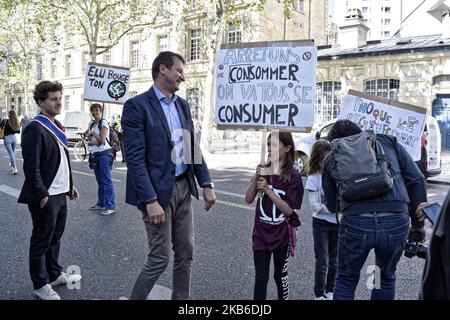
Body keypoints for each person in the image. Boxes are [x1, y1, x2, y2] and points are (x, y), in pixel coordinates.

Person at [122, 51, 216, 300]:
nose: (182, 77)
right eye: (179, 71)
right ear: (163, 70)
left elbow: (191, 147)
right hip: (157, 193)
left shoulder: (182, 104)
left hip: (184, 186)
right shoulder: (137, 106)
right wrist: (150, 201)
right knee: (159, 258)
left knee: (185, 252)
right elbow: (134, 159)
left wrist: (206, 183)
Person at [322, 119, 427, 300]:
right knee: (383, 277)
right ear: (359, 131)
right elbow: (416, 180)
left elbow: (332, 206)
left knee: (346, 279)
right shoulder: (387, 142)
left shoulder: (331, 158)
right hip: (395, 220)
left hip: (356, 223)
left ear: (335, 142)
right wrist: (418, 224)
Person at [18, 81, 81, 300]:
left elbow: (62, 160)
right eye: (53, 99)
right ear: (41, 102)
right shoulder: (35, 128)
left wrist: (70, 184)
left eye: (59, 98)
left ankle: (53, 274)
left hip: (60, 192)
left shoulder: (57, 125)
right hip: (45, 195)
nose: (58, 102)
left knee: (56, 237)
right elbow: (31, 166)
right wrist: (42, 193)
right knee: (41, 240)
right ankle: (40, 284)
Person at [245, 132, 303, 300]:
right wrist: (257, 176)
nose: (270, 148)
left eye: (275, 145)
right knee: (261, 278)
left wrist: (268, 191)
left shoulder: (294, 177)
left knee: (280, 276)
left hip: (281, 235)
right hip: (261, 234)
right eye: (269, 144)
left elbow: (289, 211)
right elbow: (248, 199)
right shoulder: (265, 171)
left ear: (287, 148)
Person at [305, 139, 338, 300]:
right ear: (317, 160)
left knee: (335, 260)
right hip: (320, 223)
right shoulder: (313, 178)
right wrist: (329, 208)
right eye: (324, 159)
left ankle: (331, 290)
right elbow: (314, 204)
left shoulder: (337, 176)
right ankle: (319, 294)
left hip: (337, 223)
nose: (327, 163)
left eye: (330, 158)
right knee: (322, 260)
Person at [84, 103, 116, 216]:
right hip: (95, 155)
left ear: (101, 111)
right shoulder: (92, 123)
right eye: (93, 110)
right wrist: (88, 135)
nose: (95, 112)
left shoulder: (104, 122)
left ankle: (110, 206)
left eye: (97, 110)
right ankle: (101, 203)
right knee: (100, 181)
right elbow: (90, 138)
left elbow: (102, 140)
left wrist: (92, 134)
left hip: (104, 154)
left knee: (106, 181)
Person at [1, 110, 20, 175]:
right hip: (14, 138)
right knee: (12, 153)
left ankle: (15, 168)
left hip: (7, 138)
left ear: (9, 115)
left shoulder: (5, 121)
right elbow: (18, 131)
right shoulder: (15, 121)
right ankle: (12, 166)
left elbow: (1, 128)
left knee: (11, 153)